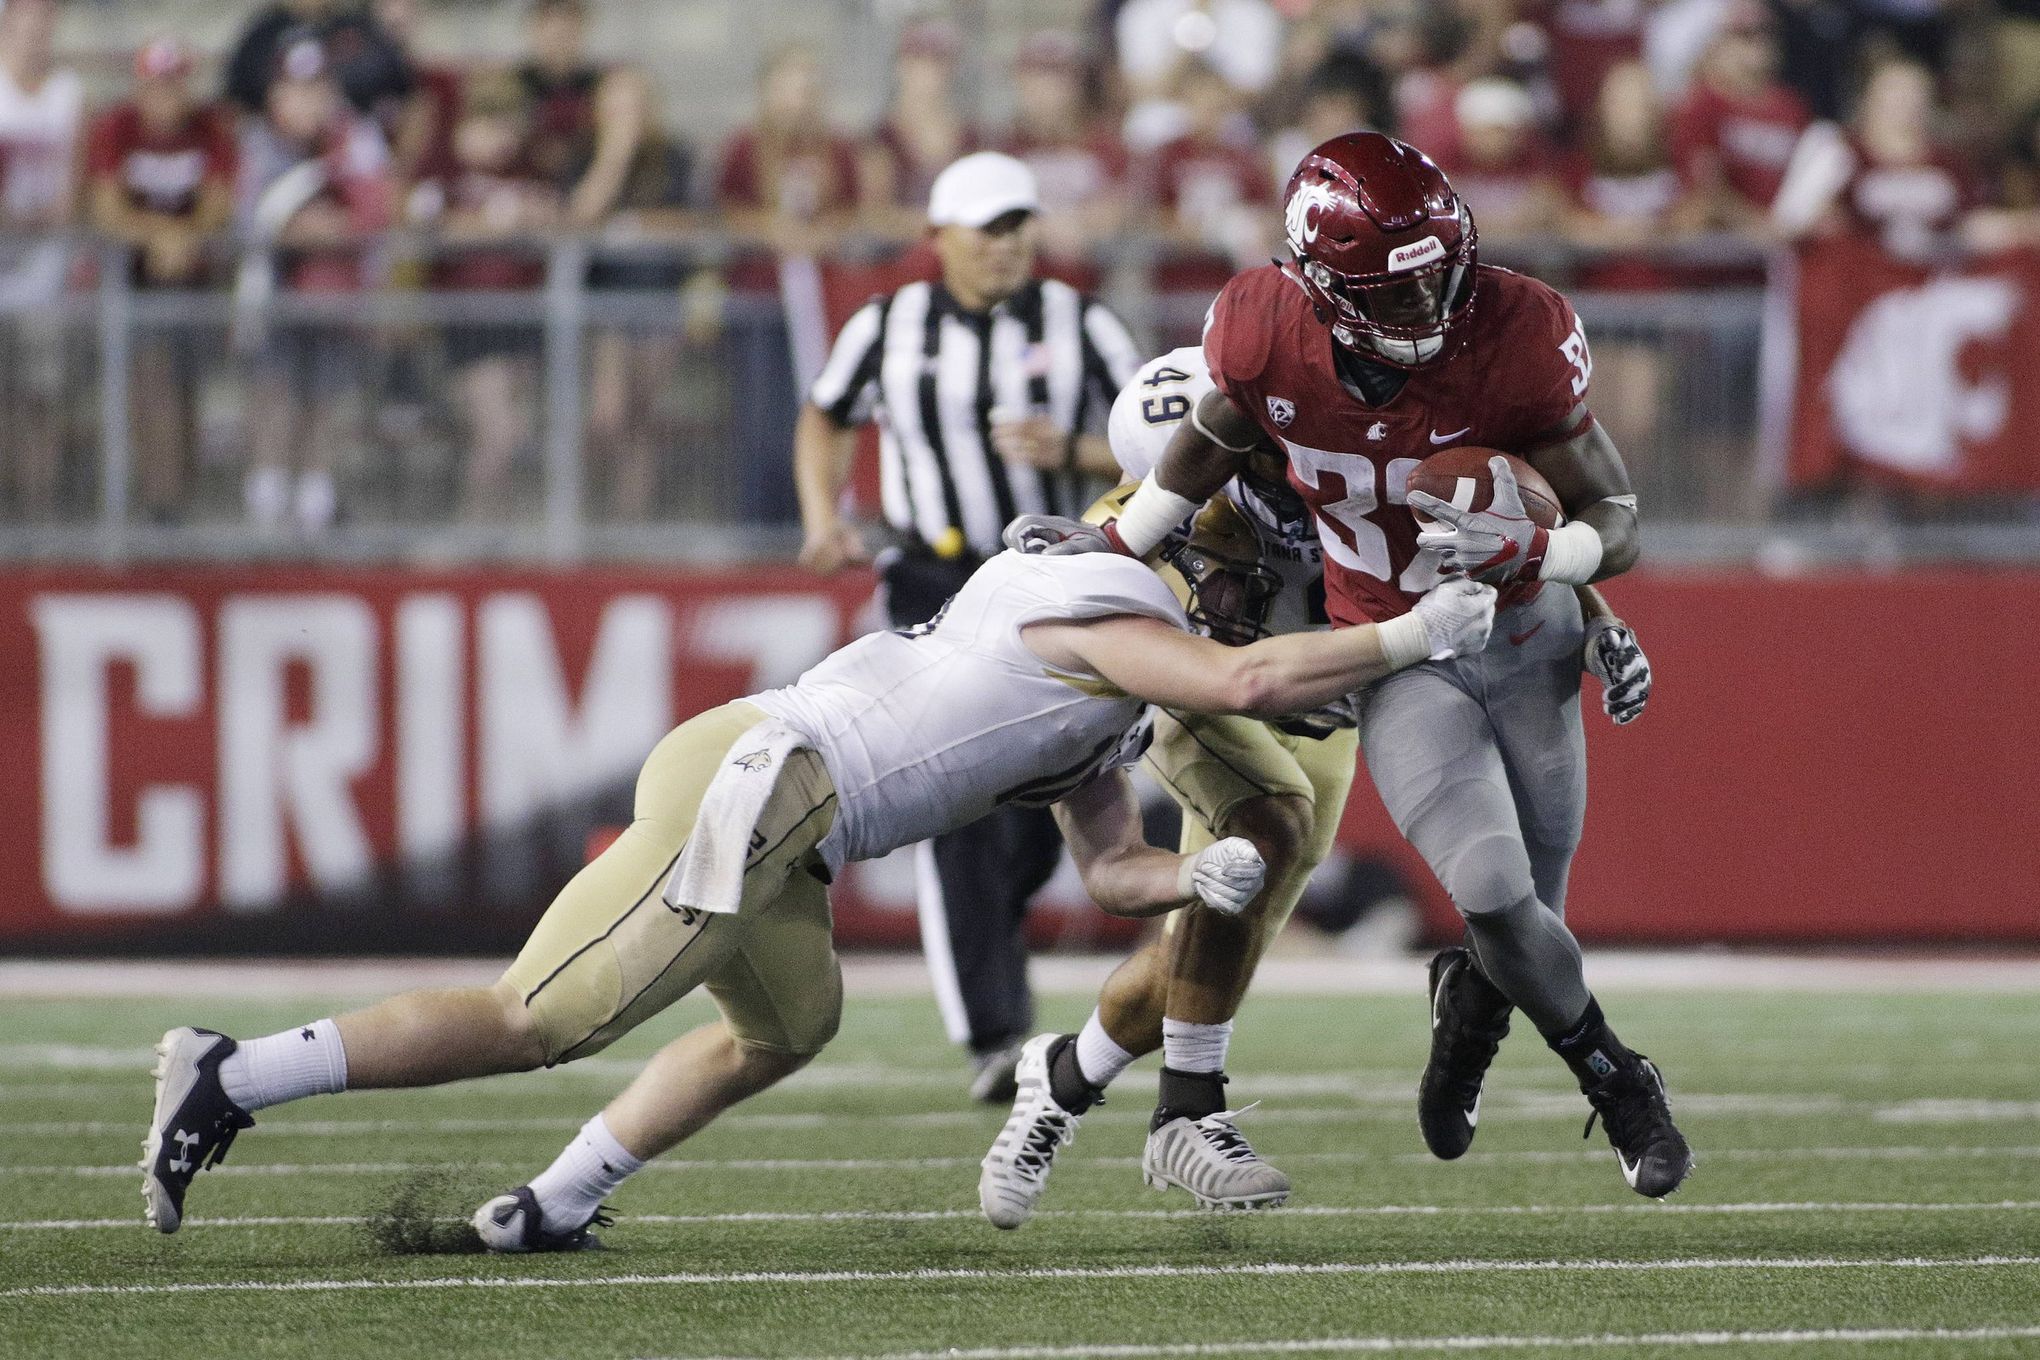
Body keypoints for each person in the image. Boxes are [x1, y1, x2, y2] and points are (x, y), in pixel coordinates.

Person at [142, 538, 1502, 1245]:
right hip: (766, 784)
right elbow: (1251, 682)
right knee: (540, 1021)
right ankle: (231, 1075)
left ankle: (551, 1205)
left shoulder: (1109, 696)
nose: (1236, 604)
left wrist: (1183, 878)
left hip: (796, 821)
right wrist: (1409, 633)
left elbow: (1104, 862)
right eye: (1231, 581)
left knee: (785, 1028)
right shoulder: (1098, 599)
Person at [1019, 132, 1692, 1199]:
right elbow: (1198, 454)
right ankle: (1620, 1081)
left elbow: (1614, 511)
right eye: (1401, 289)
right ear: (1320, 290)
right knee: (1494, 894)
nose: (1433, 306)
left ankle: (1466, 1015)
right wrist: (1117, 548)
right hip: (1400, 650)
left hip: (1525, 632)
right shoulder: (1262, 342)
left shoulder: (1514, 326)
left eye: (1441, 274)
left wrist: (1566, 573)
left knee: (1524, 921)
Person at [793, 151, 1143, 1100]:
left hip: (1048, 579)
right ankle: (995, 1036)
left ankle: (995, 948)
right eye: (988, 227)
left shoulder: (1082, 321)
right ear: (939, 237)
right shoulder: (889, 323)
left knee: (1047, 802)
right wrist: (823, 515)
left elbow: (1163, 432)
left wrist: (1071, 449)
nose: (1008, 242)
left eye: (1019, 221)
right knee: (963, 801)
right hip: (933, 573)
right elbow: (824, 418)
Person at [233, 35, 396, 532]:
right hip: (275, 292)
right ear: (277, 94)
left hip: (337, 293)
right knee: (274, 390)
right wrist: (308, 226)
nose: (307, 100)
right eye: (296, 88)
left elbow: (376, 211)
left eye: (316, 87)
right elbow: (252, 218)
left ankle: (314, 495)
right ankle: (268, 494)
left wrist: (330, 228)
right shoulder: (259, 142)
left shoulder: (354, 138)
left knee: (325, 395)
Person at [85, 37, 238, 524]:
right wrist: (163, 236)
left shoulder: (209, 127)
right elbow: (106, 207)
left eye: (175, 85)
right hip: (135, 286)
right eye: (157, 86)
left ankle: (180, 494)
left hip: (192, 283)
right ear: (140, 86)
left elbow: (218, 202)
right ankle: (161, 498)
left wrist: (179, 237)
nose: (167, 98)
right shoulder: (117, 127)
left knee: (188, 389)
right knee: (152, 388)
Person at [0, 0, 82, 521]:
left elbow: (75, 188)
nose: (38, 29)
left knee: (41, 398)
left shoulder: (67, 94)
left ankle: (38, 507)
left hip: (46, 275)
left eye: (46, 18)